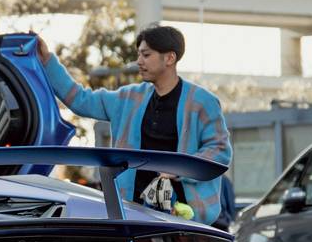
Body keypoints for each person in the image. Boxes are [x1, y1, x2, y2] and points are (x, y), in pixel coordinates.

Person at [36, 25, 232, 225]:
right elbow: (81, 100)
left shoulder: (203, 102)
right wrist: (47, 61)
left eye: (146, 55)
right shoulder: (128, 98)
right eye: (138, 54)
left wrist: (179, 169)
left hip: (186, 217)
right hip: (132, 213)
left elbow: (220, 149)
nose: (139, 61)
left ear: (169, 58)